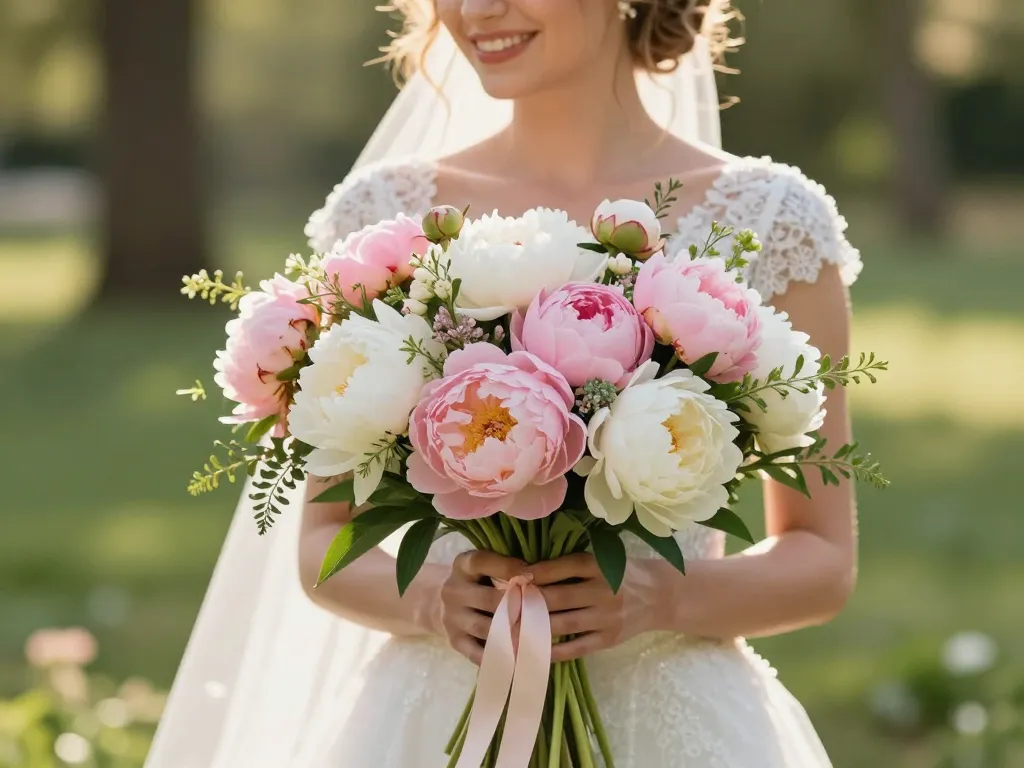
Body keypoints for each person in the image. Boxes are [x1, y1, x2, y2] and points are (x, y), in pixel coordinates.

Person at [146, 1, 863, 766]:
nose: (476, 10)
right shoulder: (384, 221)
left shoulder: (770, 219)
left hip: (675, 721)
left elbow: (821, 557)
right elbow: (324, 544)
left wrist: (665, 598)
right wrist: (431, 600)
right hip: (436, 715)